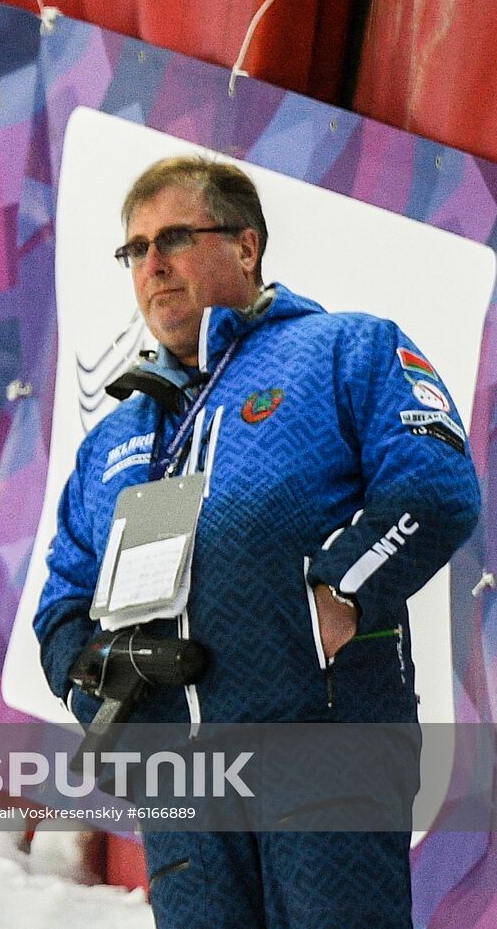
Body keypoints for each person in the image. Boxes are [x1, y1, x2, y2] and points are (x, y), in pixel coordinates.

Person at [34, 156, 480, 927]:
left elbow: (435, 485)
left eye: (173, 236)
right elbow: (62, 596)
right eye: (134, 249)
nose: (153, 264)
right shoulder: (117, 435)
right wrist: (93, 677)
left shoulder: (346, 352)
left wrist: (336, 595)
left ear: (246, 246)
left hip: (327, 749)